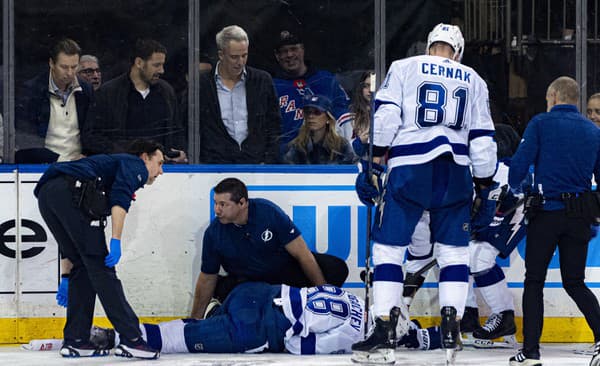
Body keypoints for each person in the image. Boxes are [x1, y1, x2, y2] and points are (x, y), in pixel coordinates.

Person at [352, 23, 497, 365]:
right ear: (458, 52)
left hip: (410, 169)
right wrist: (484, 184)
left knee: (389, 250)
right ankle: (451, 328)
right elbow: (482, 139)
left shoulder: (404, 68)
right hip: (456, 171)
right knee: (453, 255)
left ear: (430, 45)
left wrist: (374, 159)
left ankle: (385, 331)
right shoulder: (473, 78)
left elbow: (386, 117)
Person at [34, 139, 165, 360]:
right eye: (159, 163)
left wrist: (66, 276)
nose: (161, 171)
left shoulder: (110, 166)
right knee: (102, 269)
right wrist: (115, 240)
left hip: (47, 193)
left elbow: (69, 247)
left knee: (83, 268)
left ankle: (76, 340)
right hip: (70, 191)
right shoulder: (135, 165)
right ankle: (132, 339)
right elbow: (120, 198)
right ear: (145, 157)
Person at [508, 76, 600, 366]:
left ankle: (532, 352)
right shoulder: (593, 131)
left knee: (534, 281)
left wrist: (517, 186)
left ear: (553, 96)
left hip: (547, 214)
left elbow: (519, 165)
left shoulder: (540, 123)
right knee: (575, 282)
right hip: (579, 216)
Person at [190, 177, 349, 319]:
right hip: (249, 283)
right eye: (215, 203)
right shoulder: (213, 234)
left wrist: (322, 293)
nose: (217, 210)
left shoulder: (268, 212)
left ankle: (311, 311)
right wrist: (194, 320)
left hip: (284, 274)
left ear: (242, 203)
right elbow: (207, 278)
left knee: (336, 268)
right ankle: (223, 312)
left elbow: (302, 254)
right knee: (222, 287)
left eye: (223, 204)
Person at [82, 39, 187, 162]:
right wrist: (123, 153)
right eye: (156, 65)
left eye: (162, 65)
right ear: (139, 63)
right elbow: (92, 137)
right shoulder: (108, 93)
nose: (162, 70)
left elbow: (176, 131)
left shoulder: (166, 92)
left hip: (163, 171)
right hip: (122, 168)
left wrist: (179, 152)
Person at [198, 25, 280, 164]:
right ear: (221, 55)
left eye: (244, 55)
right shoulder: (202, 84)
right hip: (214, 166)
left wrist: (269, 160)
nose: (240, 62)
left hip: (256, 164)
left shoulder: (262, 80)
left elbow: (274, 123)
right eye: (234, 57)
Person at [272, 30, 351, 156]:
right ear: (277, 56)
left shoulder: (326, 80)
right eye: (284, 51)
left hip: (327, 157)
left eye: (294, 49)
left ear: (302, 50)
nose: (289, 54)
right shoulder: (272, 86)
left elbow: (343, 116)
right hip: (287, 161)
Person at [15, 38, 93, 163]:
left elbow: (91, 132)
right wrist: (61, 160)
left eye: (74, 67)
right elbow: (27, 140)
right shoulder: (32, 91)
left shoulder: (86, 90)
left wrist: (86, 156)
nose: (69, 73)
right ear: (51, 63)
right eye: (64, 67)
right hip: (43, 165)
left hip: (79, 166)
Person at [283, 94, 356, 164]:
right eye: (307, 112)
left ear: (328, 117)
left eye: (317, 112)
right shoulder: (296, 146)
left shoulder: (341, 145)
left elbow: (351, 171)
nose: (311, 116)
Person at [348, 71, 375, 157]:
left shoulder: (392, 116)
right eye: (366, 86)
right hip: (359, 169)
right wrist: (359, 142)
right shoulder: (350, 117)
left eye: (374, 86)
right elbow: (342, 151)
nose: (371, 90)